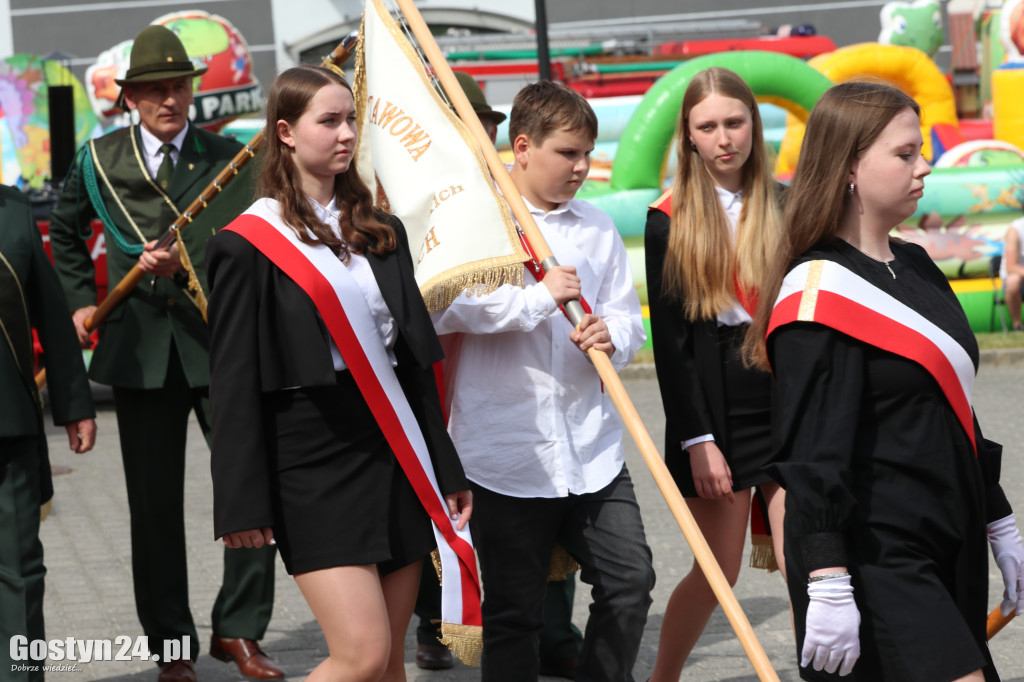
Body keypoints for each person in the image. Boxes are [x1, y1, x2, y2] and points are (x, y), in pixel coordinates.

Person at [745, 80, 1024, 680]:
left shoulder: (918, 265)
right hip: (875, 551)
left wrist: (999, 520)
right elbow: (812, 452)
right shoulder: (816, 291)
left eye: (920, 151)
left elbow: (953, 409)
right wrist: (826, 577)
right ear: (849, 166)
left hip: (947, 532)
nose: (923, 167)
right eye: (905, 155)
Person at [205, 65, 473, 682]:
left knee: (389, 667)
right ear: (286, 133)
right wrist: (240, 502)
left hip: (395, 450)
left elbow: (413, 364)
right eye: (329, 121)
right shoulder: (248, 244)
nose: (347, 133)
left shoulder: (382, 231)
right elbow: (233, 383)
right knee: (361, 654)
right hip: (310, 457)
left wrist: (445, 465)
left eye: (351, 119)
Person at [46, 25, 279, 682]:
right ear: (133, 99)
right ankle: (171, 645)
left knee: (249, 491)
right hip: (141, 350)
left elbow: (253, 241)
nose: (169, 100)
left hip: (219, 342)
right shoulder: (99, 160)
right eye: (154, 90)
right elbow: (65, 233)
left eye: (178, 86)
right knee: (153, 509)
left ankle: (239, 630)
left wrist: (190, 266)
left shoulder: (227, 155)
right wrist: (77, 304)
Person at [431, 80, 655, 681]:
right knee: (513, 615)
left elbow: (627, 316)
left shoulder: (598, 226)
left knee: (631, 581)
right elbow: (443, 309)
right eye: (568, 153)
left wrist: (614, 335)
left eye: (587, 153)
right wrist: (535, 300)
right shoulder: (476, 219)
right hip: (506, 453)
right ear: (523, 146)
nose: (582, 167)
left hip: (591, 447)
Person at [411, 70, 585, 678]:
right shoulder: (442, 203)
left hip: (540, 393)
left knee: (553, 500)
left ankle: (557, 633)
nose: (476, 137)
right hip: (444, 374)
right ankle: (439, 622)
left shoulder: (531, 199)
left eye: (484, 126)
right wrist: (538, 298)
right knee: (457, 507)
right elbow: (442, 300)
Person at [643, 66, 787, 680]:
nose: (724, 137)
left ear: (754, 124)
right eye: (709, 126)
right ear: (689, 136)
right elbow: (671, 348)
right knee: (719, 570)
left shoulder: (788, 201)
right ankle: (664, 676)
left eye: (735, 122)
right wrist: (697, 440)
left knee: (805, 559)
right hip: (717, 403)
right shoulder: (667, 218)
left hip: (785, 391)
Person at [0, 185, 96, 682]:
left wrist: (75, 405)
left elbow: (51, 315)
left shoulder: (13, 210)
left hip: (8, 424)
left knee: (18, 572)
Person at [999, 214, 1024, 330]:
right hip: (1017, 279)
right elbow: (1011, 267)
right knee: (1013, 280)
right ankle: (1017, 325)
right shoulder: (1016, 229)